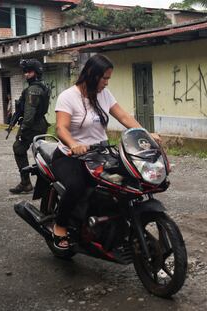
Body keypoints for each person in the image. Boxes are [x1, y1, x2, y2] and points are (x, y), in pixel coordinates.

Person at [51, 54, 160, 250]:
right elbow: (61, 128)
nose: (107, 83)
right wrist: (74, 144)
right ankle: (60, 226)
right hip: (70, 156)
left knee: (122, 184)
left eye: (109, 78)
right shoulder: (68, 97)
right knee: (76, 187)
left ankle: (115, 226)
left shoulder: (104, 95)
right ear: (92, 74)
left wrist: (145, 135)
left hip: (98, 154)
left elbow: (124, 117)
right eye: (105, 78)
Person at [9, 59, 50, 194]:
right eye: (25, 72)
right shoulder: (41, 86)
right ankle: (47, 181)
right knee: (41, 152)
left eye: (29, 72)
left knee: (19, 148)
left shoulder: (33, 90)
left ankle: (26, 183)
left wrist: (23, 129)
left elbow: (29, 113)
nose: (26, 74)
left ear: (37, 72)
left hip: (33, 126)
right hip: (40, 124)